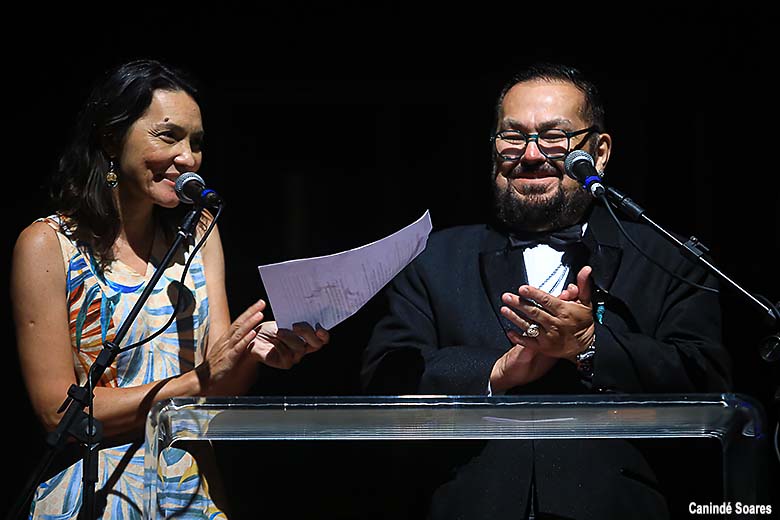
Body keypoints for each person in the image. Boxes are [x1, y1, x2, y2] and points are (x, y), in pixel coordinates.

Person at [360, 63, 731, 519]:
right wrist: (496, 372)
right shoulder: (432, 259)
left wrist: (590, 346)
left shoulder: (665, 257)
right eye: (512, 137)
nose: (531, 155)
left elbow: (706, 380)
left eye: (555, 137)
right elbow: (386, 378)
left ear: (599, 152)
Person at [10, 58, 329, 519]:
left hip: (190, 497)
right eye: (168, 136)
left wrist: (254, 350)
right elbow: (59, 412)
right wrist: (197, 382)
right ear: (111, 138)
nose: (188, 157)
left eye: (196, 142)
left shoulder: (201, 234)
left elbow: (221, 385)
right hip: (95, 498)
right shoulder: (47, 244)